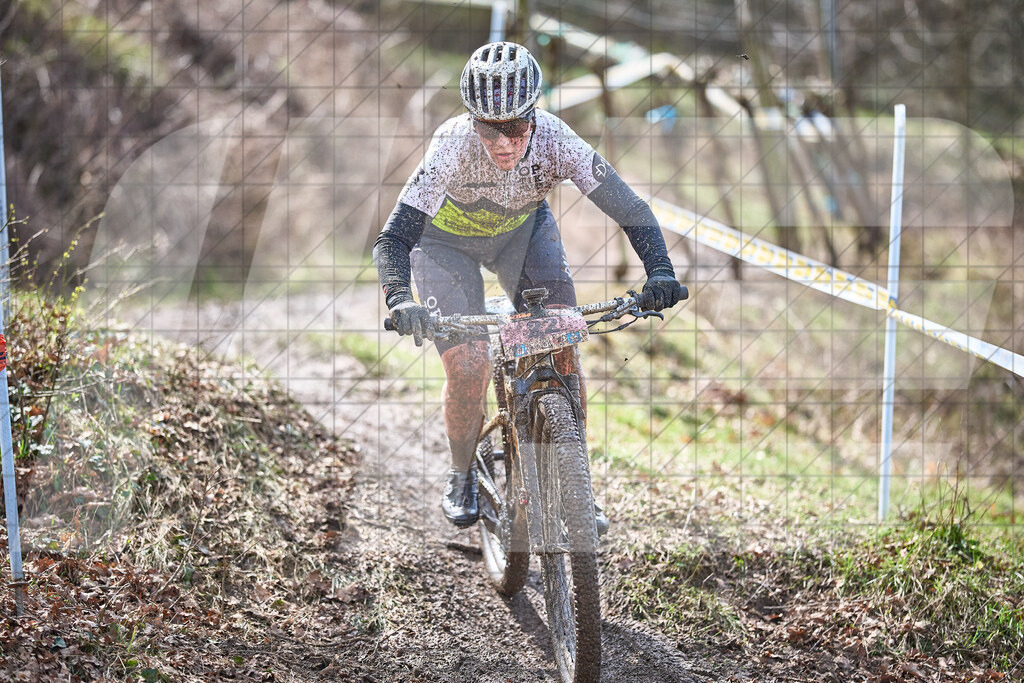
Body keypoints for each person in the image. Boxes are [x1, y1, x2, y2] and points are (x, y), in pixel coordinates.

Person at [374, 42, 684, 531]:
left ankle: (576, 486)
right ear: (472, 121)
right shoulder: (451, 145)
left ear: (535, 115)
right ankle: (462, 473)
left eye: (517, 127)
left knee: (560, 346)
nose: (504, 143)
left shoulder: (558, 139)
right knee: (470, 363)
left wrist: (660, 270)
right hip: (443, 247)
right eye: (489, 128)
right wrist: (400, 299)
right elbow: (393, 237)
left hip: (521, 236)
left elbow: (631, 210)